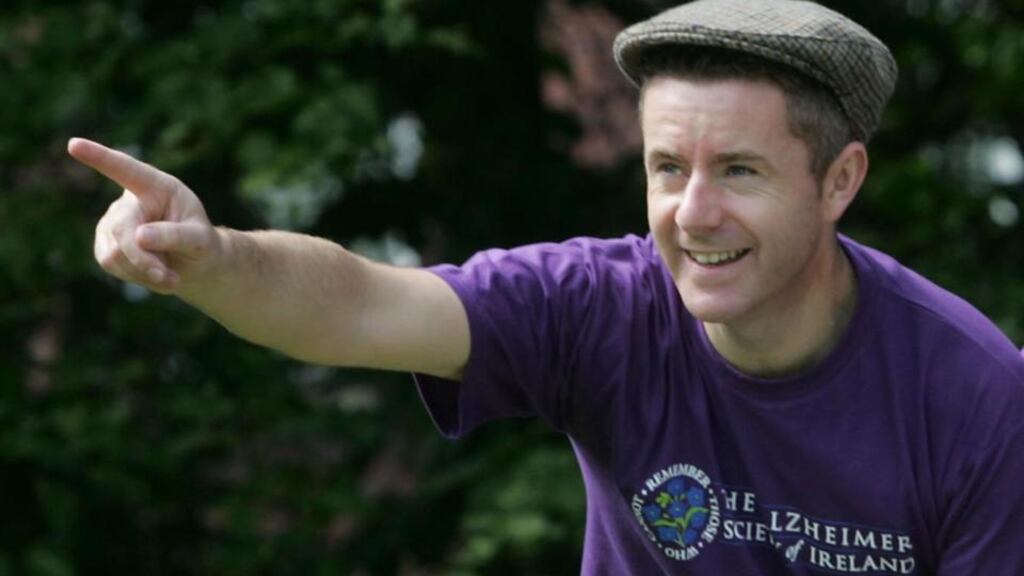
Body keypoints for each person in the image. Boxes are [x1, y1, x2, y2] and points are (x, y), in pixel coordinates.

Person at [70, 0, 1023, 573]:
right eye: (664, 169)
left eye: (739, 171)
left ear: (840, 181)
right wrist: (211, 256)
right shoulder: (596, 305)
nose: (691, 214)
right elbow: (360, 303)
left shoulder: (975, 396)